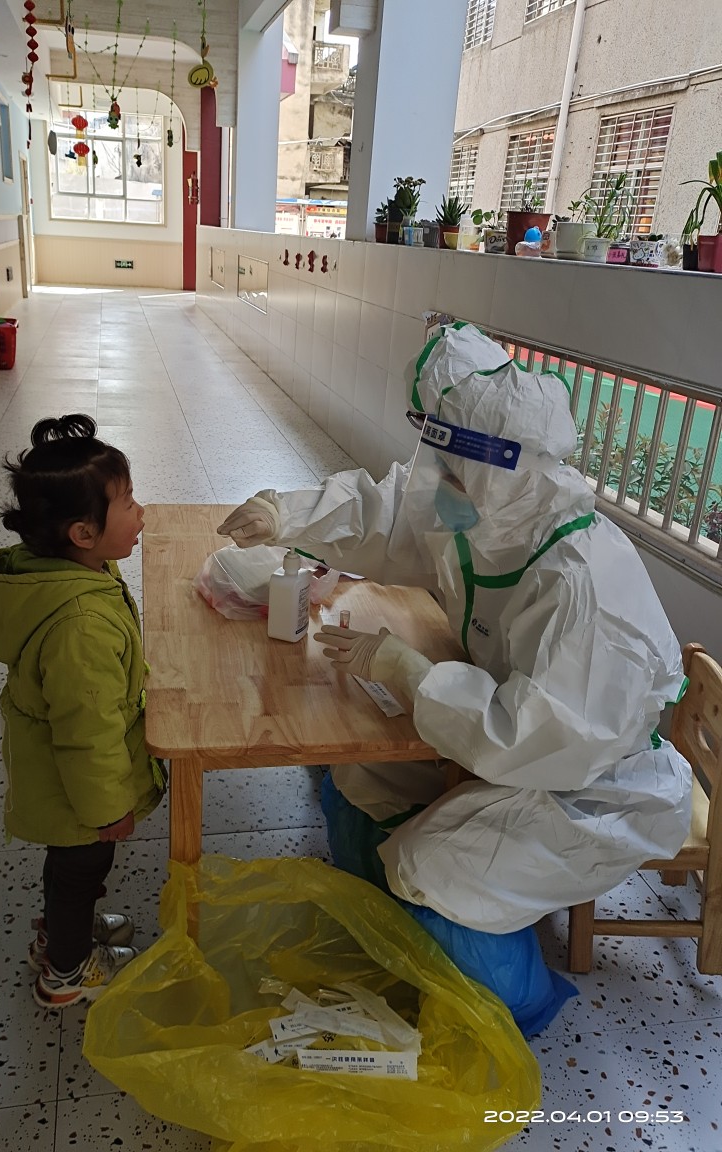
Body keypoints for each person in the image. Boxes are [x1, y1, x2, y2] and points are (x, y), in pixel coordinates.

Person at [217, 322, 691, 934]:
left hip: (589, 787)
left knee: (425, 865)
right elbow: (389, 517)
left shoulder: (581, 583)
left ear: (501, 473)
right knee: (363, 768)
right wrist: (285, 512)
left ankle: (484, 973)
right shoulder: (492, 515)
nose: (438, 482)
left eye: (453, 471)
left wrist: (409, 671)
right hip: (501, 732)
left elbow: (534, 739)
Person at [0, 414, 166, 1008]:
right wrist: (108, 808)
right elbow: (87, 733)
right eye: (128, 502)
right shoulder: (80, 626)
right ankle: (67, 973)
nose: (141, 513)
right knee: (81, 869)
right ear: (82, 532)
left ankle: (58, 934)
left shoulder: (73, 573)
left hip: (59, 783)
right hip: (79, 792)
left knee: (68, 869)